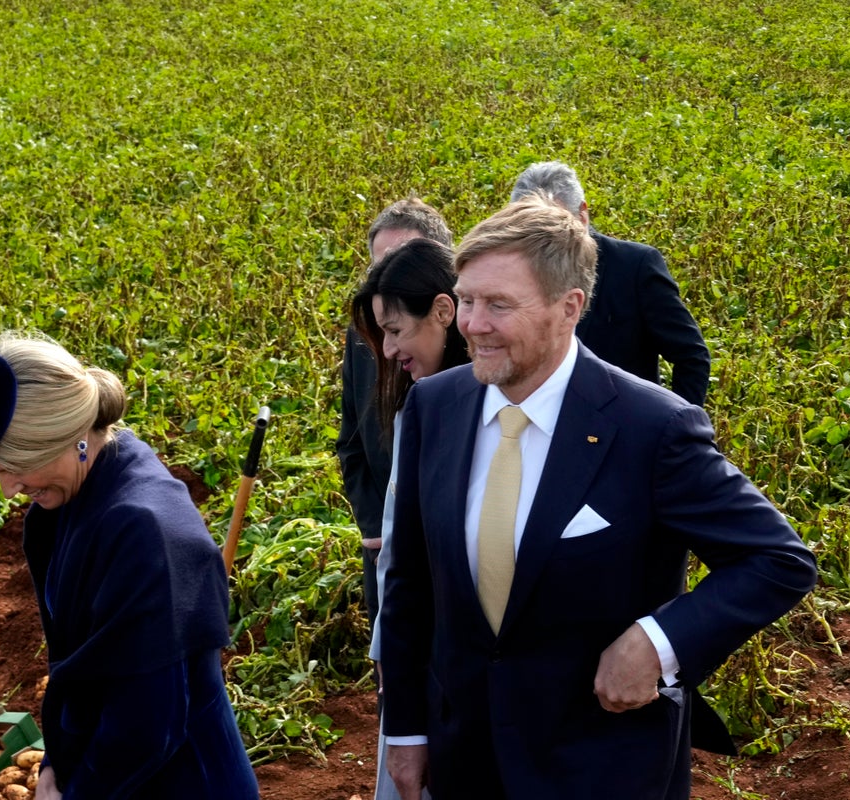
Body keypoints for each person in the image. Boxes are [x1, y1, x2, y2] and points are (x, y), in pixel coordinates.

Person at [378, 196, 817, 799]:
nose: (473, 324)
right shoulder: (434, 407)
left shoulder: (651, 429)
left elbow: (778, 560)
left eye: (499, 304)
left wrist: (658, 643)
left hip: (600, 767)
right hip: (466, 761)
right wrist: (403, 733)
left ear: (570, 308)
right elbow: (410, 584)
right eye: (469, 300)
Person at [0, 334, 258, 800]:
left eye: (16, 467)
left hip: (177, 782)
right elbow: (74, 665)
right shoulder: (64, 506)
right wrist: (57, 763)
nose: (8, 491)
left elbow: (148, 727)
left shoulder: (142, 532)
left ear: (65, 434)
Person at [350, 238, 470, 800]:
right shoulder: (419, 402)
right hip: (414, 644)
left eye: (396, 329)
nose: (389, 347)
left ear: (443, 312)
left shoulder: (477, 410)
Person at [337, 198, 453, 635]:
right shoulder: (366, 334)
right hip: (384, 550)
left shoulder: (481, 375)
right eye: (380, 266)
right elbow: (351, 440)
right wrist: (376, 527)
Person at [511, 161, 711, 406]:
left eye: (554, 226)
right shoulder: (511, 271)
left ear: (582, 215)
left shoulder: (634, 266)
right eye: (529, 230)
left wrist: (675, 429)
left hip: (624, 429)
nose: (543, 243)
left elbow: (691, 356)